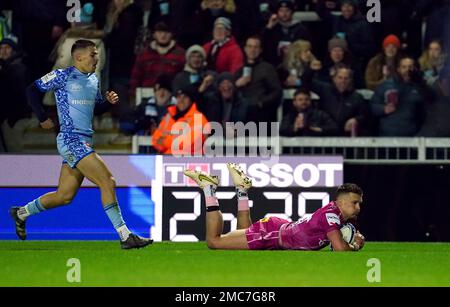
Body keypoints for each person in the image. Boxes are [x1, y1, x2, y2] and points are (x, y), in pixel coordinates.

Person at [9, 40, 152, 250]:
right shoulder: (62, 75)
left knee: (64, 196)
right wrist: (41, 117)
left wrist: (107, 103)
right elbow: (32, 90)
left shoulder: (93, 79)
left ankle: (21, 213)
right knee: (108, 181)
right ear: (79, 57)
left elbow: (94, 109)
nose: (97, 58)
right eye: (93, 54)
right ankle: (124, 235)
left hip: (84, 140)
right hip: (71, 139)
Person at [184, 163, 365, 251]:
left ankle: (242, 190)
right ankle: (209, 189)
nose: (358, 207)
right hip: (272, 234)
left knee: (243, 238)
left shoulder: (334, 214)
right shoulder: (332, 216)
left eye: (359, 203)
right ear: (341, 202)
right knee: (214, 242)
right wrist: (354, 246)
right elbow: (339, 249)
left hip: (279, 227)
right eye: (354, 203)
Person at [152, 83, 209, 155]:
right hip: (167, 159)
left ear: (191, 100)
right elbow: (155, 140)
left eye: (185, 97)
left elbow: (187, 145)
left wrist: (164, 141)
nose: (181, 100)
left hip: (191, 162)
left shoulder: (199, 119)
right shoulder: (169, 116)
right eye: (178, 97)